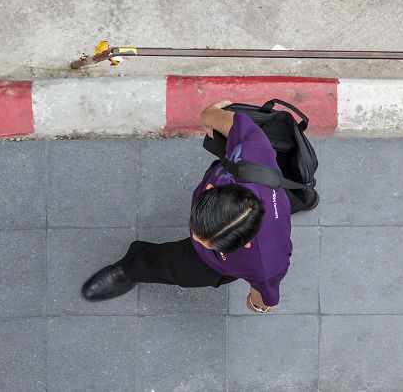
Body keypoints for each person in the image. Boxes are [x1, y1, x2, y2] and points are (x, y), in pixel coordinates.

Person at [81, 100, 292, 313]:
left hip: (215, 264)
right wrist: (208, 115)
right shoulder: (252, 151)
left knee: (174, 267)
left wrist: (256, 306)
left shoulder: (266, 264)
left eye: (206, 241)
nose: (195, 238)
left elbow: (263, 302)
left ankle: (130, 269)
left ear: (243, 246)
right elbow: (219, 118)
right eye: (197, 229)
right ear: (219, 192)